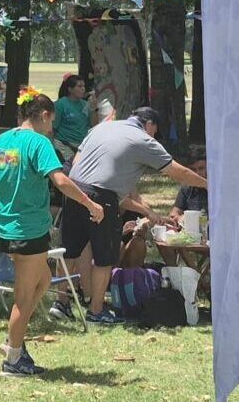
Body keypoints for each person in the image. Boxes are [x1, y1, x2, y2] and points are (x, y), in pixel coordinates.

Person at [0, 93, 104, 376]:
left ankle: (13, 341)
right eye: (51, 121)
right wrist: (89, 204)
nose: (51, 128)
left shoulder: (3, 141)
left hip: (6, 225)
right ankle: (13, 358)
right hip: (27, 228)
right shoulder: (39, 142)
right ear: (43, 115)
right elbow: (61, 180)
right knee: (25, 295)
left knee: (42, 281)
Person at [64, 107, 207, 324]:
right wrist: (208, 184)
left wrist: (148, 211)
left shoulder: (102, 127)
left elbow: (77, 165)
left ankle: (62, 303)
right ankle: (96, 310)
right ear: (149, 125)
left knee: (70, 251)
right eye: (155, 132)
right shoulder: (142, 140)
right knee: (105, 258)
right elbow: (176, 171)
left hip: (74, 190)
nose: (153, 137)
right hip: (103, 199)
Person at [52, 75, 93, 158]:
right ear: (70, 89)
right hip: (64, 144)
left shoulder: (85, 104)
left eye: (84, 86)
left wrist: (95, 108)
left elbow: (93, 125)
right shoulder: (61, 104)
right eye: (79, 86)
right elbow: (53, 127)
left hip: (81, 145)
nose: (83, 89)